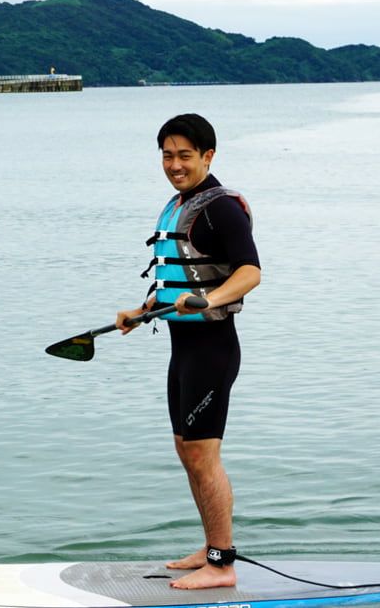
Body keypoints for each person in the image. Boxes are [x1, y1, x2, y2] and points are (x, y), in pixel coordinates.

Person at [116, 114, 261, 591]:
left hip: (212, 349)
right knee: (187, 450)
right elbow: (183, 276)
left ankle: (222, 565)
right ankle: (210, 546)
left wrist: (210, 300)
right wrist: (141, 310)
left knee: (203, 454)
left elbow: (250, 272)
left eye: (184, 155)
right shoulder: (181, 204)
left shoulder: (221, 208)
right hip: (183, 349)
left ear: (208, 157)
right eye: (167, 155)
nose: (174, 165)